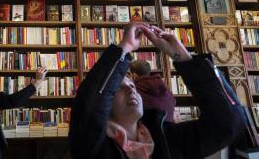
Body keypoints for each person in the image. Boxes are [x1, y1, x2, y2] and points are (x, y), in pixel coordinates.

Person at [69, 23, 245, 159]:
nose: (131, 91)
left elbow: (229, 123)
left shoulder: (165, 138)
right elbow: (90, 104)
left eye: (132, 86)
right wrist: (125, 47)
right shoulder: (93, 145)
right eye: (119, 89)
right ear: (106, 105)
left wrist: (183, 58)